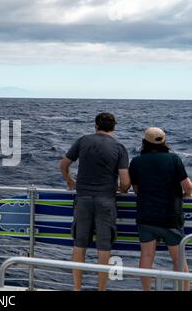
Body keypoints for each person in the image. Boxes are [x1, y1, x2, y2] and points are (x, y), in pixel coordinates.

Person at [60, 112, 131, 291]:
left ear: (96, 126)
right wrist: (122, 190)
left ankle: (77, 288)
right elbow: (125, 182)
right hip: (106, 200)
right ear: (114, 127)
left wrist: (69, 180)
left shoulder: (83, 141)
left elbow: (64, 164)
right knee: (104, 246)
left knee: (79, 243)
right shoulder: (119, 147)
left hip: (83, 199)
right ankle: (101, 289)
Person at [129, 127, 192, 291]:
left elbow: (136, 190)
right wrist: (185, 195)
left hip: (146, 216)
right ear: (164, 141)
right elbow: (188, 187)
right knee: (178, 259)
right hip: (171, 217)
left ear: (145, 142)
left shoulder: (136, 162)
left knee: (147, 256)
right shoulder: (174, 159)